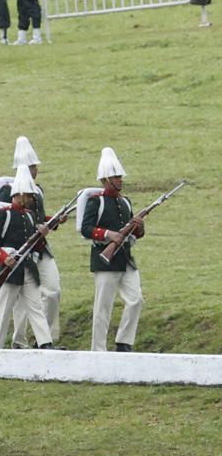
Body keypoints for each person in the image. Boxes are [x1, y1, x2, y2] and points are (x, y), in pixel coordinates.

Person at [0, 138, 59, 344]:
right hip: (12, 261)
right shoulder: (4, 204)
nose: (31, 199)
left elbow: (34, 223)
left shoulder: (34, 201)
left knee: (37, 303)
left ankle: (44, 343)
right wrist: (4, 257)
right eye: (31, 166)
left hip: (31, 257)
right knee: (4, 309)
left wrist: (51, 223)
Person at [82, 147, 142, 352]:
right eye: (116, 176)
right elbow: (86, 228)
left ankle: (124, 341)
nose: (120, 179)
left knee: (136, 300)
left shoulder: (125, 202)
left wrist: (139, 227)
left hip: (125, 258)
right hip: (105, 260)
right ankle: (98, 349)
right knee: (103, 307)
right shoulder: (95, 201)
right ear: (105, 180)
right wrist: (109, 235)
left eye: (120, 176)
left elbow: (133, 233)